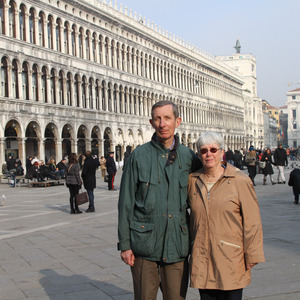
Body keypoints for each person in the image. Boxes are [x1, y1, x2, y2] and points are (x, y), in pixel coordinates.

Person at [118, 100, 201, 300]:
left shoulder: (189, 157)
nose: (162, 124)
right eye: (157, 119)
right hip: (144, 246)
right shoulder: (138, 156)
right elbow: (125, 203)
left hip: (177, 245)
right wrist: (125, 244)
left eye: (167, 118)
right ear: (151, 122)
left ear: (177, 121)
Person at [187, 132, 265, 300]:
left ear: (222, 152)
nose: (209, 154)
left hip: (230, 257)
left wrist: (253, 253)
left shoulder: (239, 180)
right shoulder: (193, 180)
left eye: (213, 149)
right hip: (202, 257)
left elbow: (252, 220)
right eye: (204, 150)